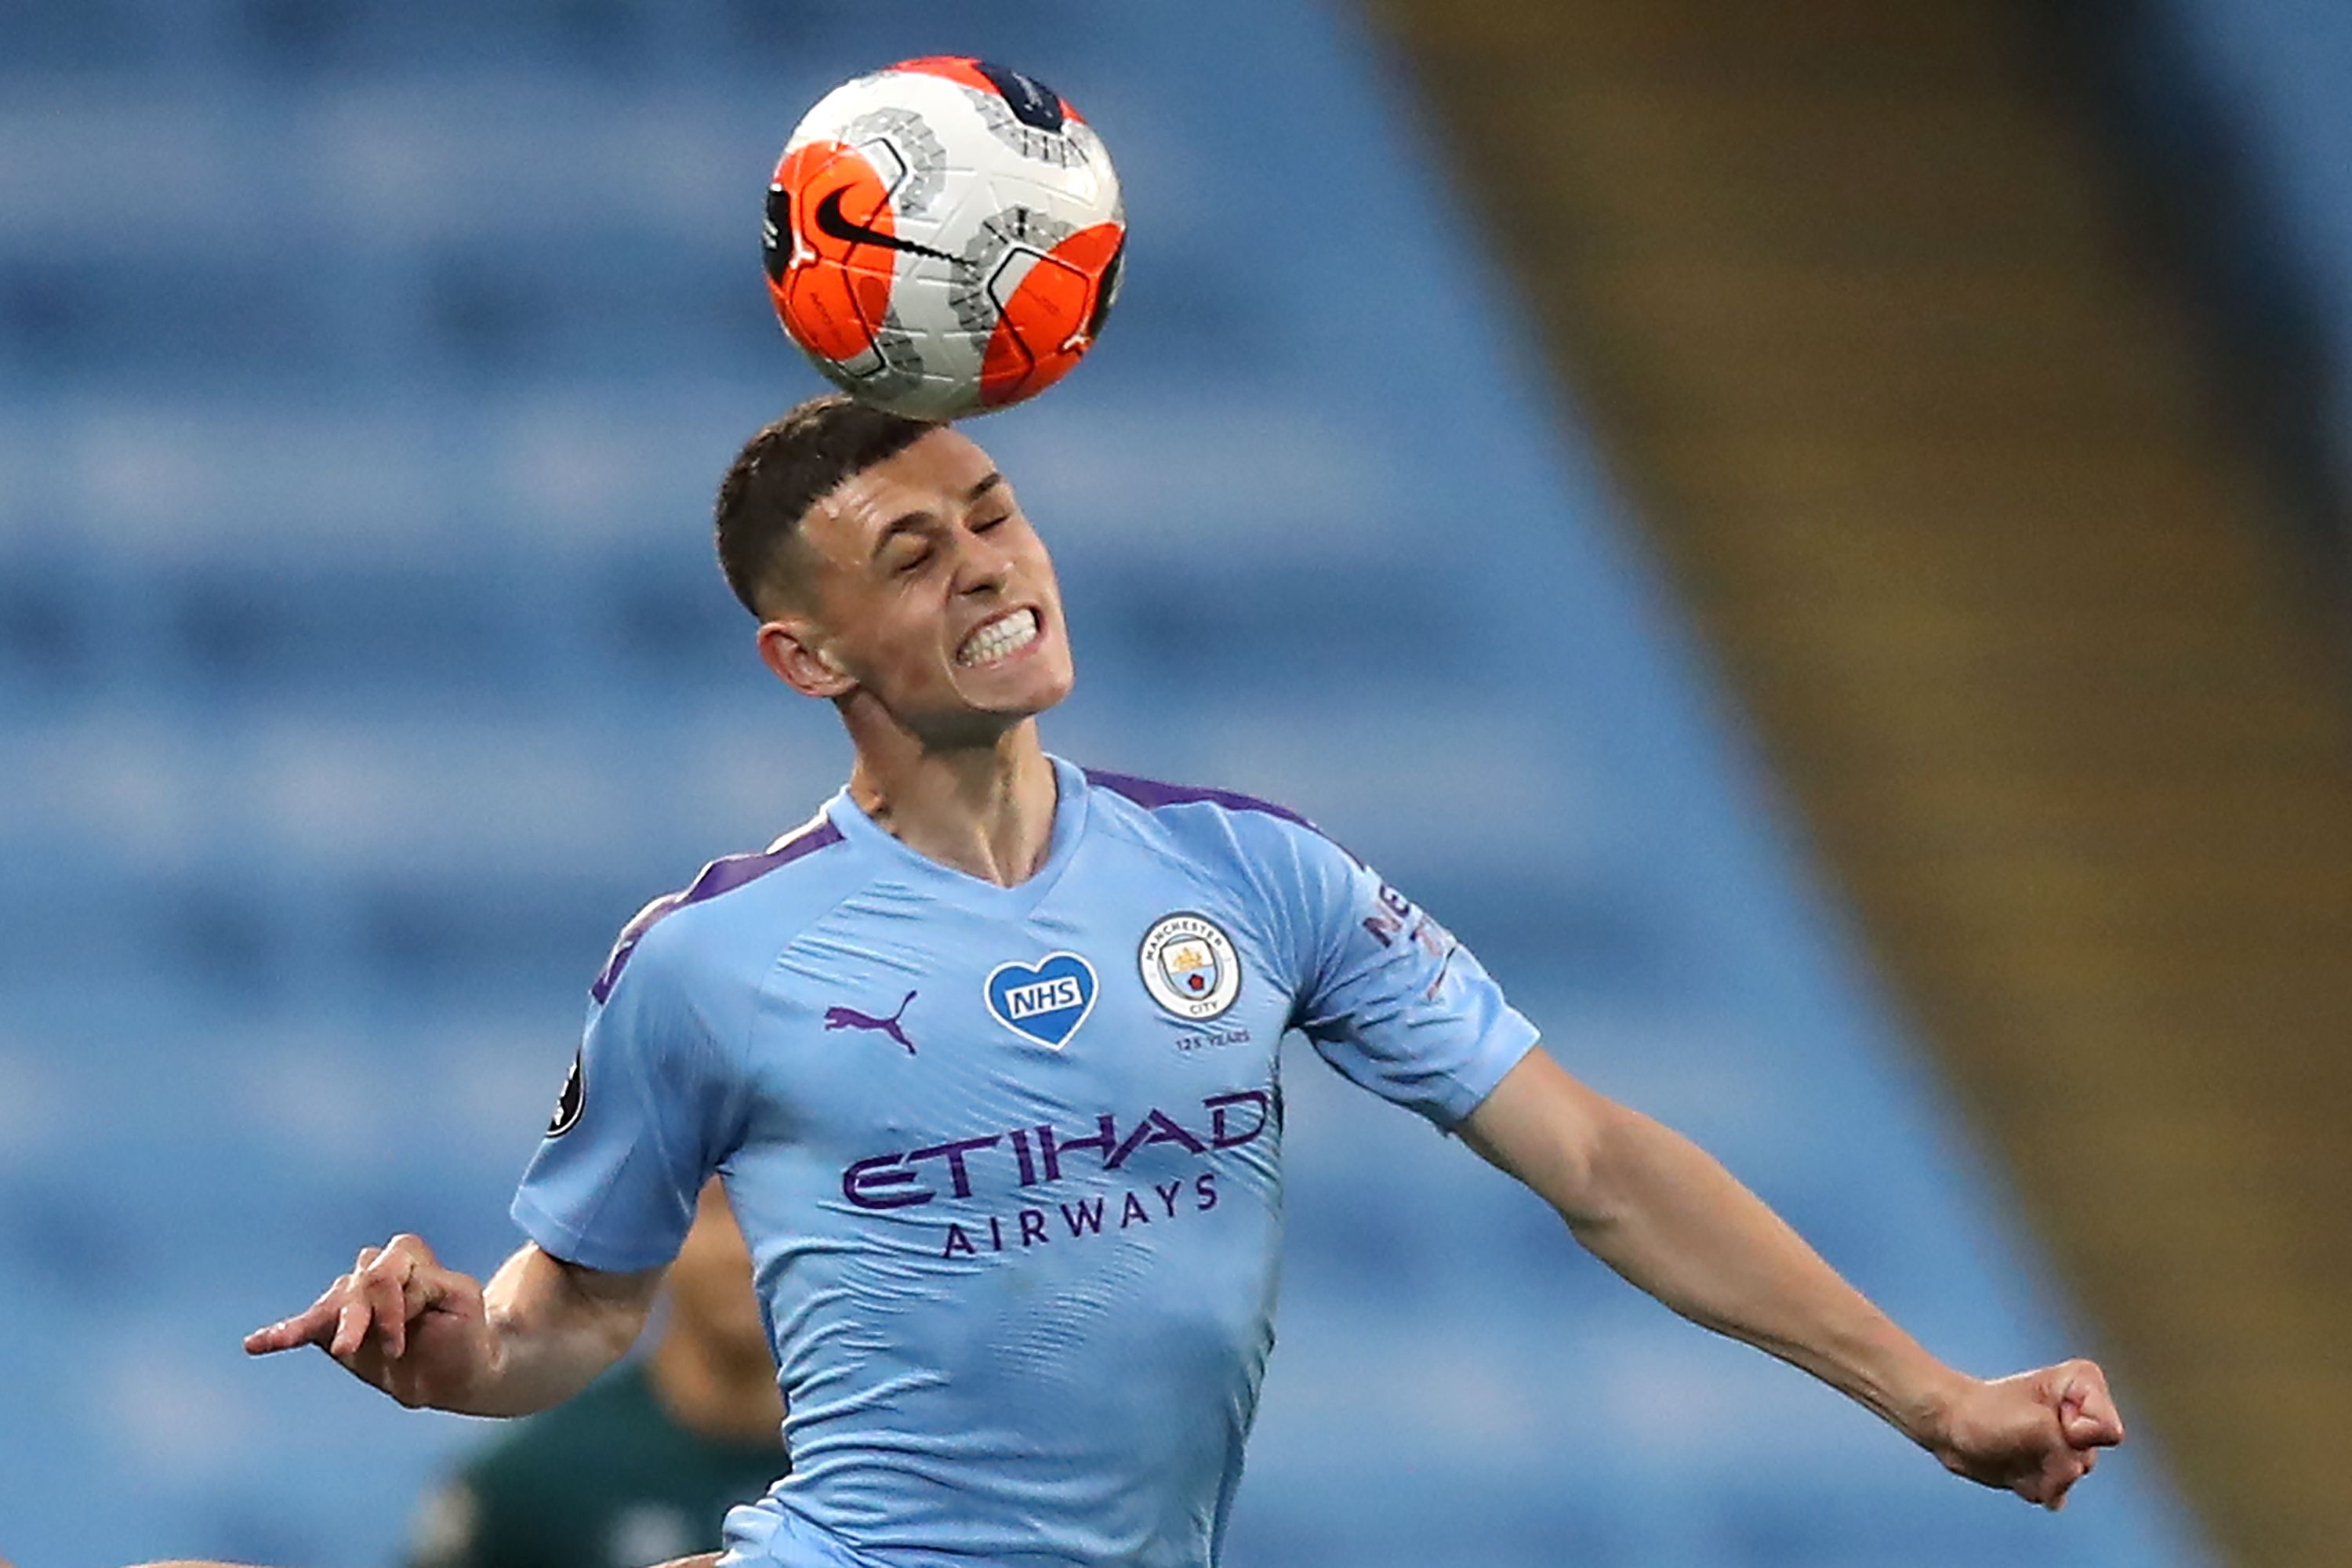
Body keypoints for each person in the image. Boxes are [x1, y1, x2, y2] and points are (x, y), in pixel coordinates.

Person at [237, 394, 2124, 1568]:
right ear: (804, 657)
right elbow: (571, 1320)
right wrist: (445, 1352)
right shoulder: (712, 956)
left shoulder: (1251, 870)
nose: (995, 562)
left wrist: (1929, 1394)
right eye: (917, 552)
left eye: (991, 508)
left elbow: (1603, 1165)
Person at [402, 1180, 784, 1568]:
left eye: (786, 1216)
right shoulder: (536, 1483)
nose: (745, 1251)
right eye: (718, 1212)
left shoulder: (845, 1470)